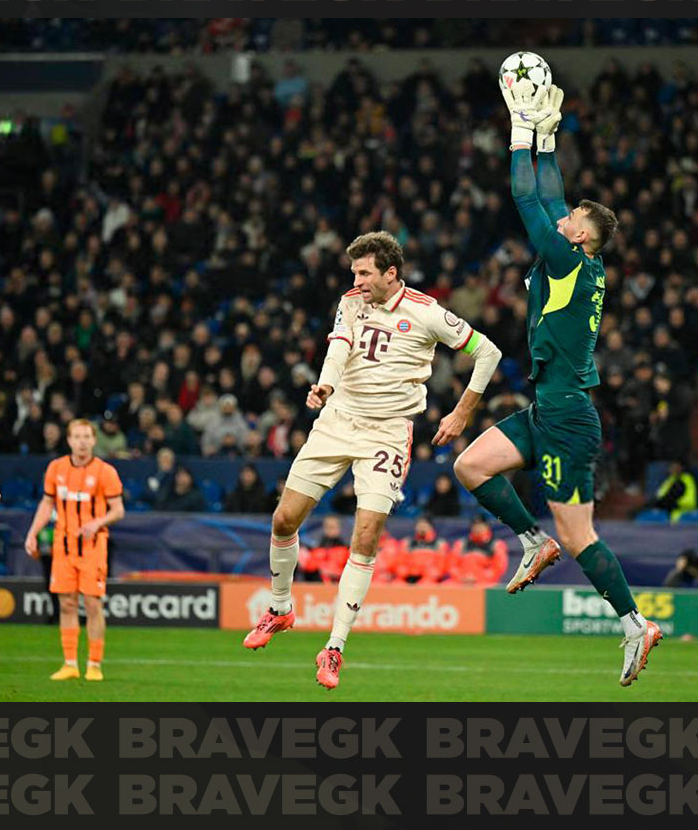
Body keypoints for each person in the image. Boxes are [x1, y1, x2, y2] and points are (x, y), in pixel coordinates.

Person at [453, 77, 662, 687]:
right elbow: (551, 195)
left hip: (567, 415)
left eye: (570, 219)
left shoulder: (570, 259)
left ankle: (633, 624)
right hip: (550, 406)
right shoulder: (578, 258)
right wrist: (547, 136)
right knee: (471, 468)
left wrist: (521, 133)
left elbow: (527, 200)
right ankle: (530, 540)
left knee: (580, 535)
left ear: (580, 237)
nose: (561, 217)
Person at [242, 231, 503, 691]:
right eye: (354, 272)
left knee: (365, 535)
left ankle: (335, 647)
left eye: (364, 273)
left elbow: (488, 352)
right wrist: (324, 385)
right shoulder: (352, 300)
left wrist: (463, 411)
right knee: (284, 519)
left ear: (390, 273)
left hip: (386, 431)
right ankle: (280, 610)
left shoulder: (426, 312)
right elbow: (339, 345)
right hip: (338, 417)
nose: (356, 280)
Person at [24, 419, 126, 683]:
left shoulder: (106, 472)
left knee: (93, 604)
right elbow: (47, 503)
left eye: (86, 437)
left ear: (94, 440)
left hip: (93, 547)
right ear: (68, 440)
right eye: (77, 436)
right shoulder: (56, 468)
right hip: (63, 546)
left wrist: (97, 522)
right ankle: (70, 663)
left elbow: (118, 510)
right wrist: (32, 533)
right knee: (66, 603)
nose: (82, 441)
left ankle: (94, 664)